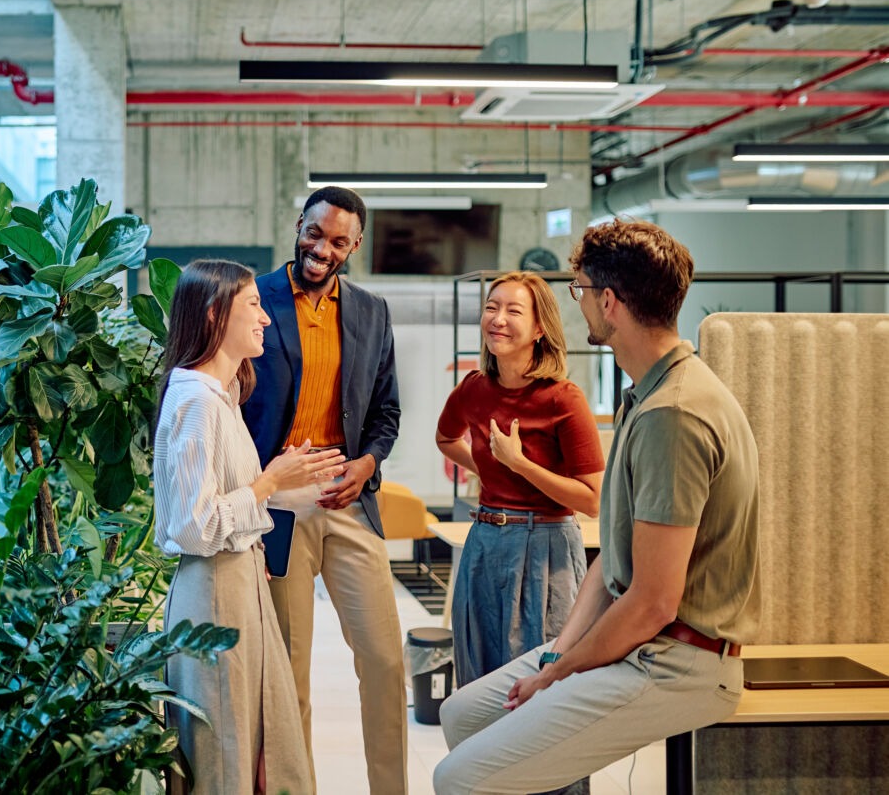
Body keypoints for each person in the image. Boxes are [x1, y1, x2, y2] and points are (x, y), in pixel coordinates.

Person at [431, 220, 761, 794]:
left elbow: (653, 602)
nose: (577, 303)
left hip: (676, 662)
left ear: (608, 302)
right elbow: (616, 559)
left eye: (579, 291)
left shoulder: (673, 414)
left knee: (457, 778)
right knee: (462, 715)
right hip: (648, 643)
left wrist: (561, 671)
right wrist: (559, 651)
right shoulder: (651, 392)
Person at [155, 258, 345, 795]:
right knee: (225, 751)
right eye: (254, 305)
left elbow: (222, 503)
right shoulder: (196, 401)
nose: (265, 319)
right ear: (216, 314)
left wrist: (285, 480)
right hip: (214, 591)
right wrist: (267, 485)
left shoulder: (221, 395)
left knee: (252, 740)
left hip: (238, 583)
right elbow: (194, 526)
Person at [241, 187, 408, 795]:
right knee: (291, 675)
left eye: (338, 241)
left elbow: (387, 413)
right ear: (299, 226)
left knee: (386, 662)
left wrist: (367, 463)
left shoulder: (370, 311)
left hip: (347, 499)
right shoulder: (253, 298)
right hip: (279, 507)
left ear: (354, 246)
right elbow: (230, 404)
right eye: (315, 233)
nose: (322, 249)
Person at [435, 271, 604, 795]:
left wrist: (519, 464)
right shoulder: (473, 390)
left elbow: (593, 498)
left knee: (543, 695)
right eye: (492, 307)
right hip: (484, 543)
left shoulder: (563, 399)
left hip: (546, 548)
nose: (497, 319)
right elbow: (445, 438)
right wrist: (488, 468)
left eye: (513, 311)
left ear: (539, 329)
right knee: (481, 684)